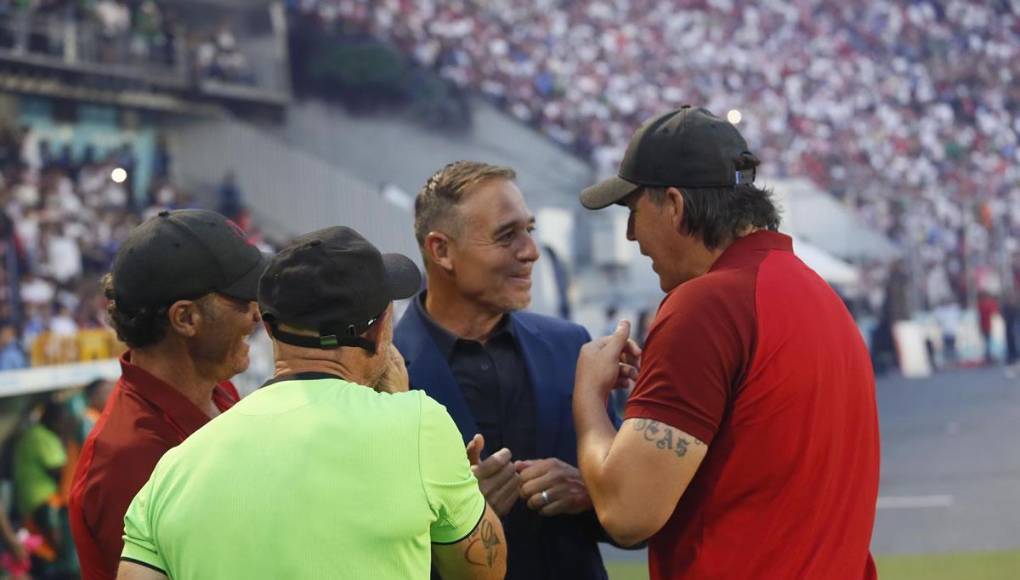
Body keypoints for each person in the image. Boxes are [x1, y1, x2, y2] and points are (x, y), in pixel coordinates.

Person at [572, 106, 880, 579]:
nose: (632, 235)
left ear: (673, 205)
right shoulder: (821, 295)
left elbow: (628, 514)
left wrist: (590, 397)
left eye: (634, 213)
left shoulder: (705, 306)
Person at [116, 226, 506, 580]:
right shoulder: (419, 425)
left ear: (268, 327)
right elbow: (484, 572)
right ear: (380, 328)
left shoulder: (172, 470)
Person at [394, 161, 613, 579]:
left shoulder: (571, 347)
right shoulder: (378, 379)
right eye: (506, 235)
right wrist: (457, 524)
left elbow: (635, 515)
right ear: (441, 250)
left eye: (529, 229)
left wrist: (590, 491)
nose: (530, 251)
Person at [69, 209, 269, 580]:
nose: (257, 315)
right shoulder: (126, 460)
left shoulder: (218, 388)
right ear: (185, 319)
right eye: (243, 300)